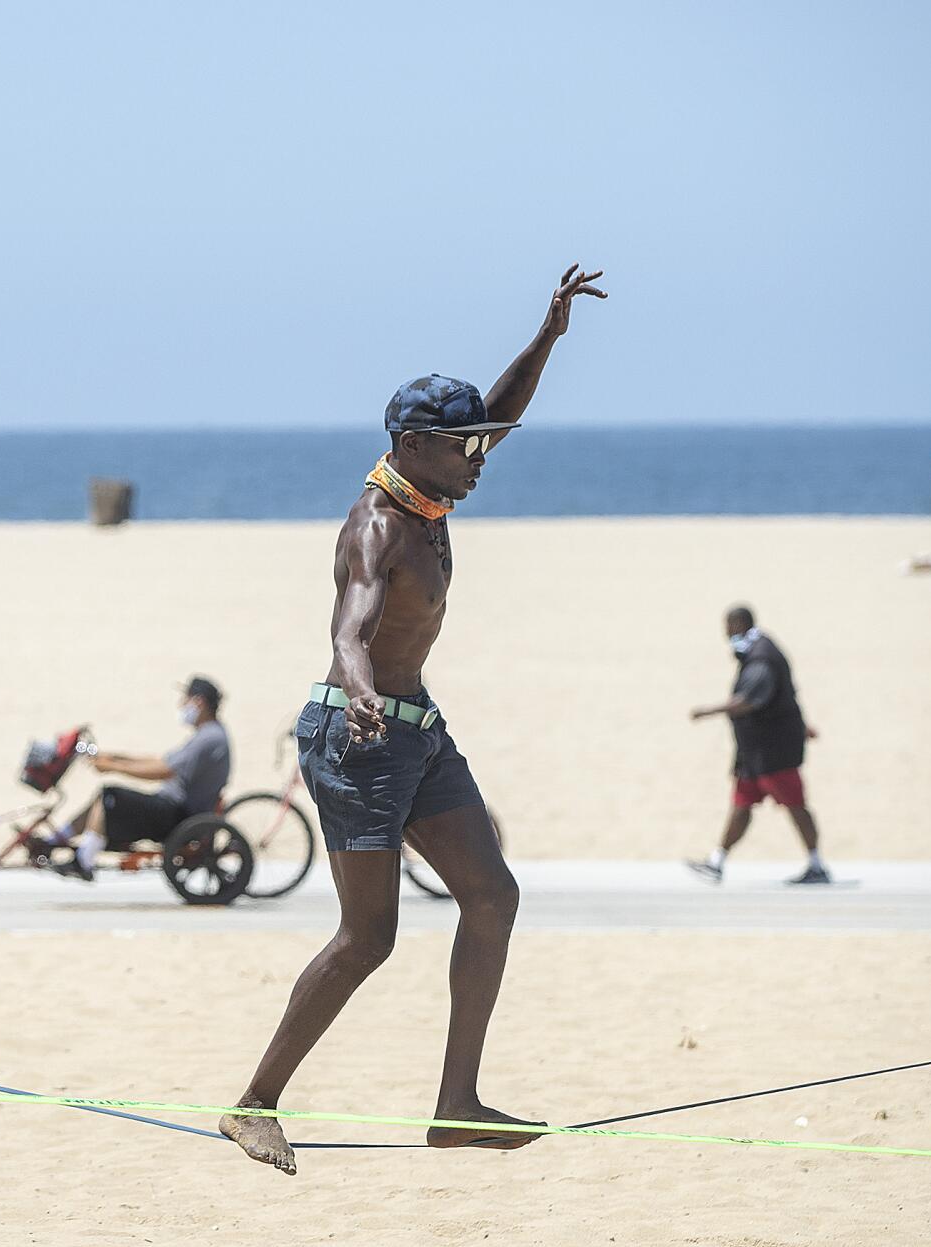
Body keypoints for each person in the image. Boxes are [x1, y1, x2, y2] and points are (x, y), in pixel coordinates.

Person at [222, 264, 607, 1175]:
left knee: (493, 896)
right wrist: (356, 688)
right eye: (459, 447)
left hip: (416, 729)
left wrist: (547, 334)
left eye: (478, 445)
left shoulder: (434, 488)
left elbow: (501, 413)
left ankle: (457, 1105)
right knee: (369, 937)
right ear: (409, 442)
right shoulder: (377, 525)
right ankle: (252, 1105)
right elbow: (350, 627)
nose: (478, 460)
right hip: (353, 737)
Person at [686, 606, 829, 885]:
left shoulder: (762, 658)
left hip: (773, 752)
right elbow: (785, 694)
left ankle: (817, 865)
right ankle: (717, 861)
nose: (726, 636)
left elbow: (749, 700)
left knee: (796, 806)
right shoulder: (757, 652)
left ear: (739, 624)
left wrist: (707, 711)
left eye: (728, 629)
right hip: (754, 753)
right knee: (742, 805)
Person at [43, 677, 232, 881]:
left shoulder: (209, 738)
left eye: (184, 700)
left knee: (109, 795)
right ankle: (52, 842)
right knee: (100, 799)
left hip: (177, 814)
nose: (181, 705)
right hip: (173, 807)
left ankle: (83, 861)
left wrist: (113, 768)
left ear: (199, 702)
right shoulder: (207, 735)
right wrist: (112, 757)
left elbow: (164, 771)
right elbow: (159, 760)